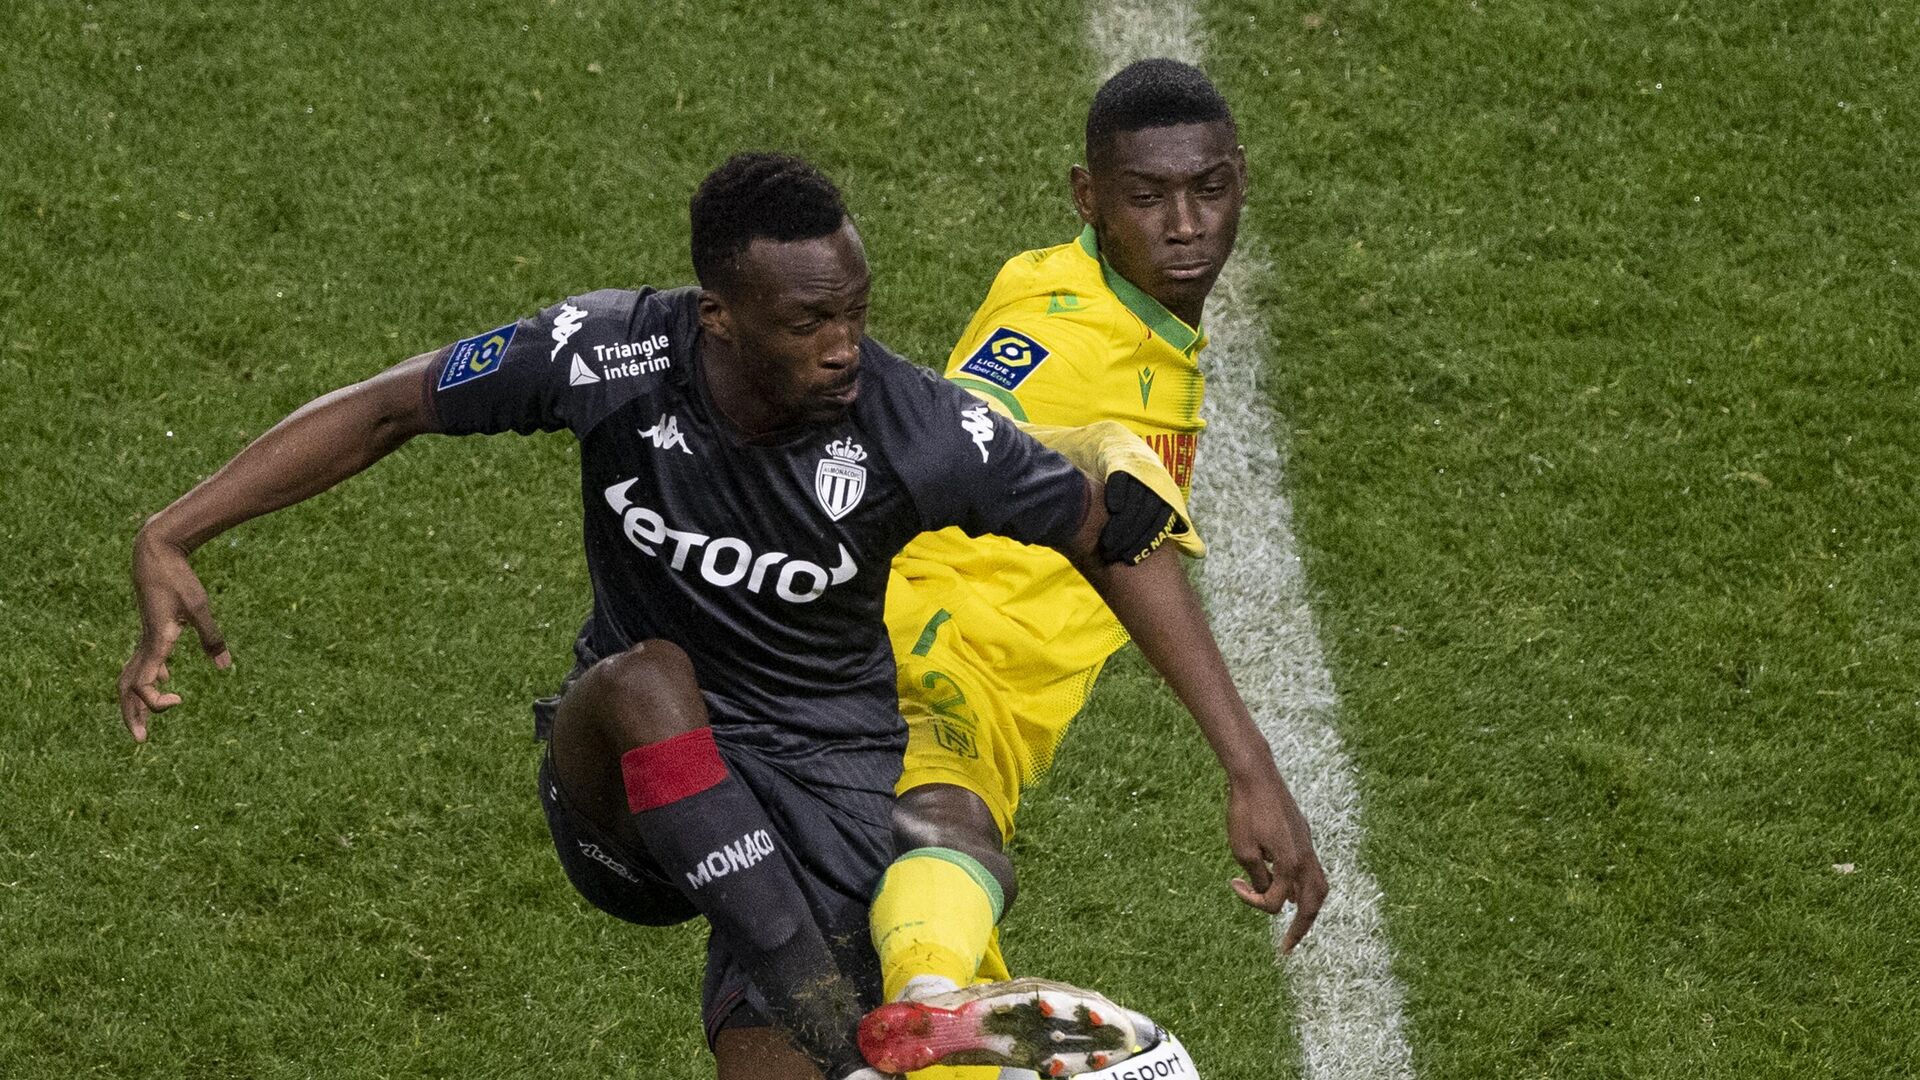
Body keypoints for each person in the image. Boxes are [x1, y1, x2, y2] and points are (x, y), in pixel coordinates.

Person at [116, 152, 1316, 1080]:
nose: (849, 347)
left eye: (856, 309)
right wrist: (173, 531)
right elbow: (391, 408)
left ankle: (838, 1032)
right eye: (811, 323)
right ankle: (855, 1042)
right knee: (646, 679)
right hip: (631, 789)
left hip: (823, 804)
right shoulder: (607, 355)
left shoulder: (914, 429)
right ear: (720, 315)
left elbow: (1113, 535)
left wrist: (1248, 767)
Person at [859, 60, 1328, 1076]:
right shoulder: (1065, 333)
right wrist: (1252, 770)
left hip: (964, 670)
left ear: (1242, 178)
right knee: (947, 822)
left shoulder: (1060, 277)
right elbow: (975, 430)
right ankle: (932, 1004)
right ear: (1089, 197)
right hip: (941, 651)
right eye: (1147, 196)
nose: (1187, 223)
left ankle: (924, 1010)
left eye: (1209, 188)